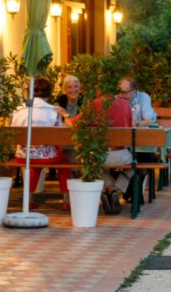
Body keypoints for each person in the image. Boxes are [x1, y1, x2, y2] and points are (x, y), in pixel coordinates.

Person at [10, 77, 72, 211]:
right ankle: (66, 200)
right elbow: (59, 136)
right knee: (64, 164)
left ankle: (29, 200)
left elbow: (13, 133)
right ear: (49, 92)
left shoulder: (18, 110)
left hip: (23, 155)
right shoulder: (53, 111)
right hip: (45, 156)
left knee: (33, 164)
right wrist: (65, 116)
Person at [84, 93, 133, 214]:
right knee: (134, 165)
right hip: (120, 154)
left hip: (100, 154)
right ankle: (116, 188)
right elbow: (129, 126)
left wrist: (65, 115)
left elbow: (76, 124)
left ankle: (109, 187)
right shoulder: (126, 104)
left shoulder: (93, 104)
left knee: (94, 164)